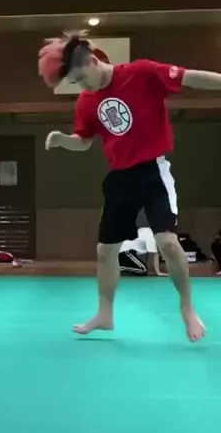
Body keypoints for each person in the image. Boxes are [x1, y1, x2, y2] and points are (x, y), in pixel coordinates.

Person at [38, 34, 221, 342]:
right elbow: (83, 141)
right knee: (105, 249)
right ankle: (105, 314)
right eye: (75, 83)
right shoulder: (87, 101)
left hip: (153, 171)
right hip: (120, 176)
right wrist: (62, 140)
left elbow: (190, 77)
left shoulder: (141, 72)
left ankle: (187, 309)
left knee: (167, 242)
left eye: (81, 78)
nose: (82, 86)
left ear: (93, 61)